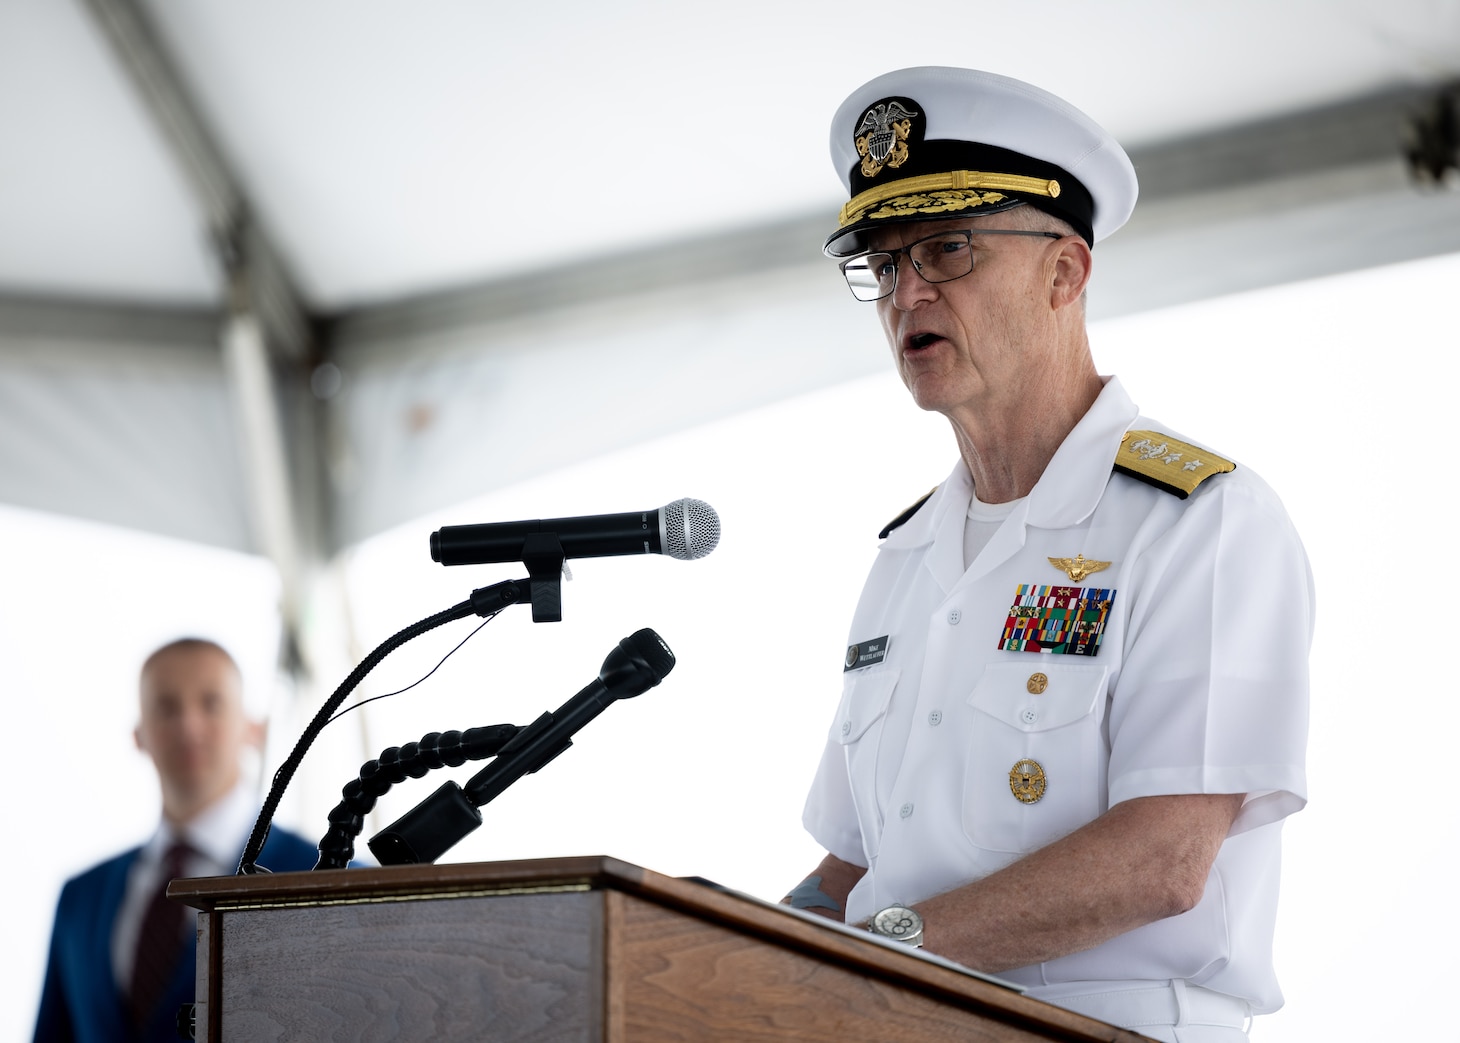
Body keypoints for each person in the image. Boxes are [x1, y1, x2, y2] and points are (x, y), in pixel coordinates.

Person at [787, 68, 1312, 1043]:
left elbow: (1161, 858)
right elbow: (854, 864)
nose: (908, 290)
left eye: (945, 248)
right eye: (882, 261)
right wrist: (716, 949)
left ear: (1063, 272)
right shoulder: (903, 558)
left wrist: (874, 949)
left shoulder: (1198, 520)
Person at [34, 638, 318, 1042]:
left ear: (253, 729)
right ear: (139, 735)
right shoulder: (81, 897)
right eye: (166, 707)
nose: (188, 726)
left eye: (211, 703)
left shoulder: (328, 877)